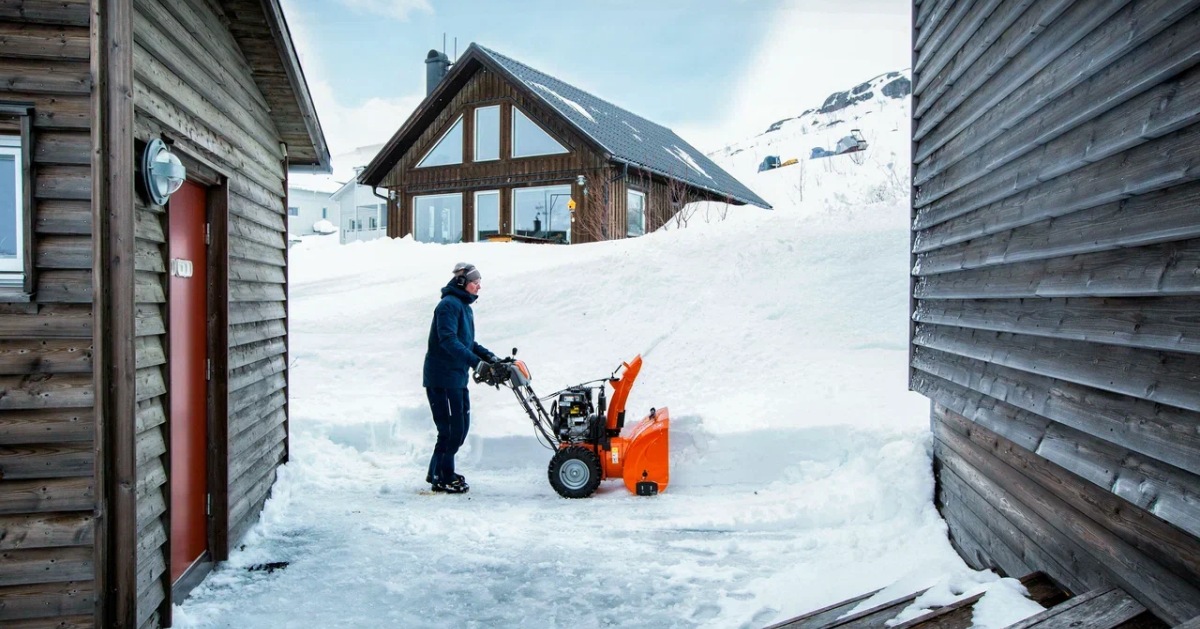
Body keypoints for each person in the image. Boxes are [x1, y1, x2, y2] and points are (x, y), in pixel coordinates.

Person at [422, 262, 499, 494]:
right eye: (475, 283)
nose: (479, 287)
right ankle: (442, 476)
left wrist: (491, 358)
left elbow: (467, 343)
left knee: (460, 428)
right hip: (441, 378)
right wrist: (477, 363)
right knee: (449, 430)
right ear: (462, 283)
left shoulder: (464, 307)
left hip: (456, 378)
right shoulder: (448, 306)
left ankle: (438, 472)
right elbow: (448, 340)